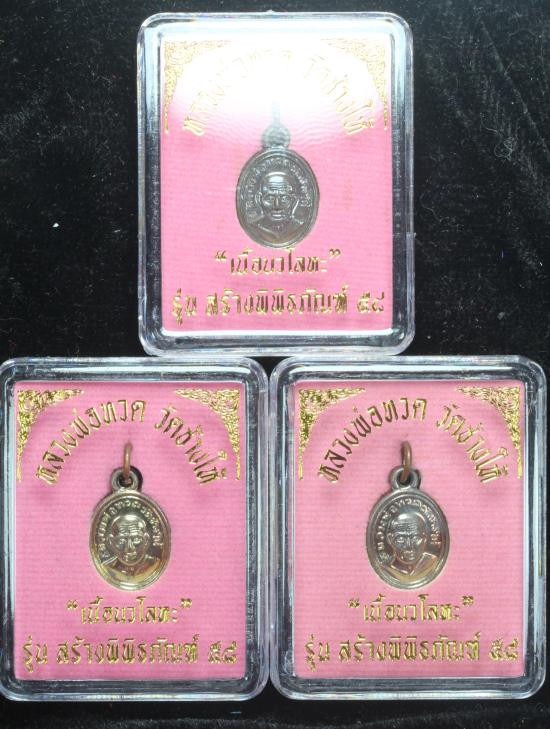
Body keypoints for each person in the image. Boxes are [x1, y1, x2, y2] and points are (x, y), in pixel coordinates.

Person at [385, 510, 438, 580]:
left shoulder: (431, 562)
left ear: (425, 538)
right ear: (390, 539)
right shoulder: (386, 567)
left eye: (416, 538)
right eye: (401, 539)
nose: (409, 547)